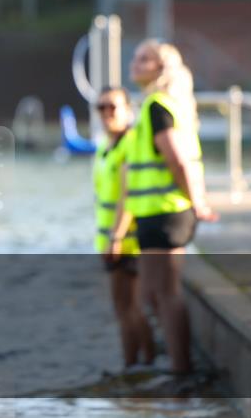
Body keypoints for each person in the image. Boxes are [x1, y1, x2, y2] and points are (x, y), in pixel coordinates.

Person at [109, 40, 216, 375]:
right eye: (136, 57)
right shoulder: (159, 105)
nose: (135, 63)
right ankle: (172, 369)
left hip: (166, 212)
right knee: (156, 296)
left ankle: (180, 374)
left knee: (164, 295)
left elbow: (177, 160)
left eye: (144, 59)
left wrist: (197, 201)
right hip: (155, 213)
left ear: (161, 68)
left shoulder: (157, 106)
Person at [93, 86, 154, 369]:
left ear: (128, 110)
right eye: (101, 108)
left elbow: (127, 196)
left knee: (127, 308)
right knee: (125, 308)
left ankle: (136, 366)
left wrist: (116, 238)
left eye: (113, 107)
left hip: (127, 241)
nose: (107, 113)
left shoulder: (130, 145)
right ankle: (140, 366)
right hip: (112, 239)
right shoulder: (106, 146)